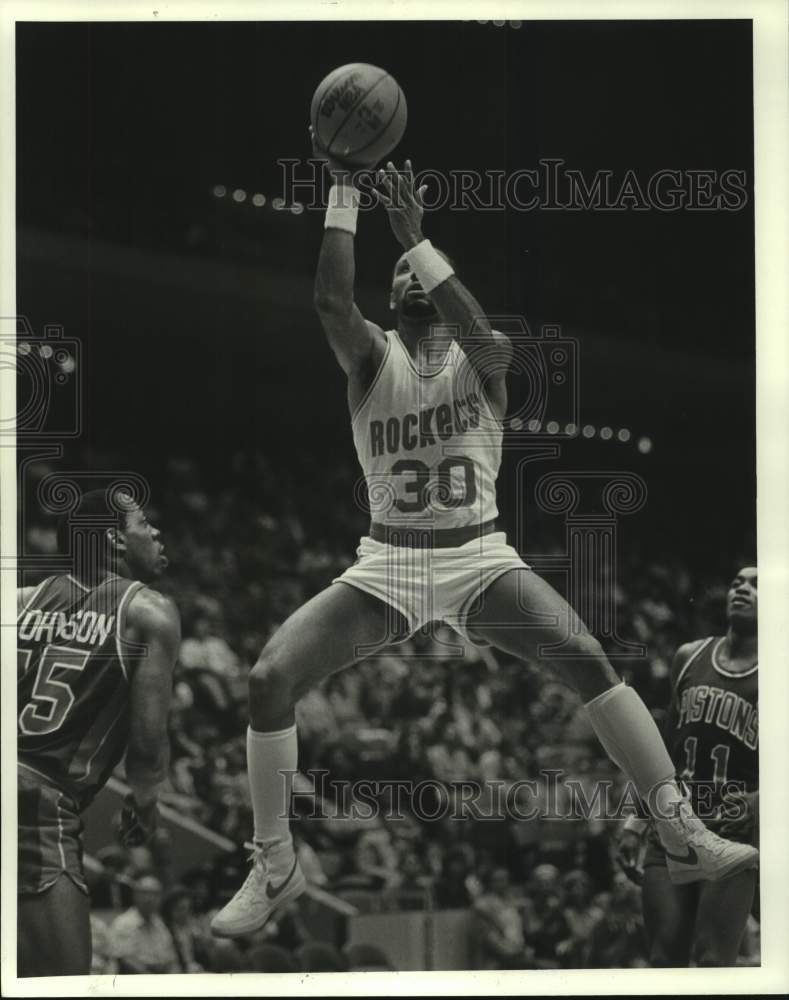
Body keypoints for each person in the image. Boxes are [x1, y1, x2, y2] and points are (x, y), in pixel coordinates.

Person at [210, 136, 757, 939]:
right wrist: (342, 195)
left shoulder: (481, 363)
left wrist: (416, 240)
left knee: (590, 662)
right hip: (389, 560)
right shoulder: (371, 359)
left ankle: (678, 829)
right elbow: (331, 303)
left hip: (476, 557)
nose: (409, 279)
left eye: (422, 271)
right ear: (391, 299)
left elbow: (495, 343)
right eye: (399, 275)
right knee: (266, 679)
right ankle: (275, 862)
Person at [17, 487, 179, 976]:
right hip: (37, 804)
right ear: (113, 541)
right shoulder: (148, 611)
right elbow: (148, 746)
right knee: (64, 981)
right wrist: (144, 804)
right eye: (143, 524)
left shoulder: (18, 601)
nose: (155, 533)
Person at [617, 566, 759, 967]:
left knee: (712, 961)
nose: (743, 589)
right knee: (664, 960)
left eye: (757, 585)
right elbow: (663, 748)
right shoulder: (689, 656)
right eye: (737, 582)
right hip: (673, 827)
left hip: (733, 835)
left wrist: (760, 800)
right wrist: (635, 820)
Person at [108, 875, 180, 974]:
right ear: (135, 896)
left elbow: (171, 959)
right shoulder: (123, 923)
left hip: (160, 977)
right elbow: (125, 961)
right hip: (135, 980)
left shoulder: (159, 923)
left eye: (155, 894)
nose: (150, 898)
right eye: (144, 893)